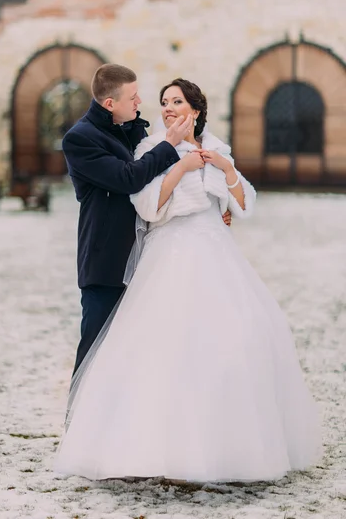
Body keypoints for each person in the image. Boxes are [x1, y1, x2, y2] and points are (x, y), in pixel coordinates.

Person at [56, 78, 321, 482]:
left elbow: (243, 205)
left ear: (195, 110)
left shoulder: (217, 147)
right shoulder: (149, 148)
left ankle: (232, 447)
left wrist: (225, 167)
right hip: (169, 253)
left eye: (176, 101)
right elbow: (146, 208)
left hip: (216, 253)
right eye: (164, 102)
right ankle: (149, 448)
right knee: (161, 347)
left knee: (235, 340)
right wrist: (180, 167)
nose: (166, 108)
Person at [62, 65, 232, 377]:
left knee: (142, 353)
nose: (140, 101)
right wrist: (169, 146)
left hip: (153, 260)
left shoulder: (136, 131)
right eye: (133, 96)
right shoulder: (80, 139)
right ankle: (79, 422)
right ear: (111, 103)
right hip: (109, 261)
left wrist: (217, 205)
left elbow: (166, 185)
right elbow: (129, 179)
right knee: (95, 347)